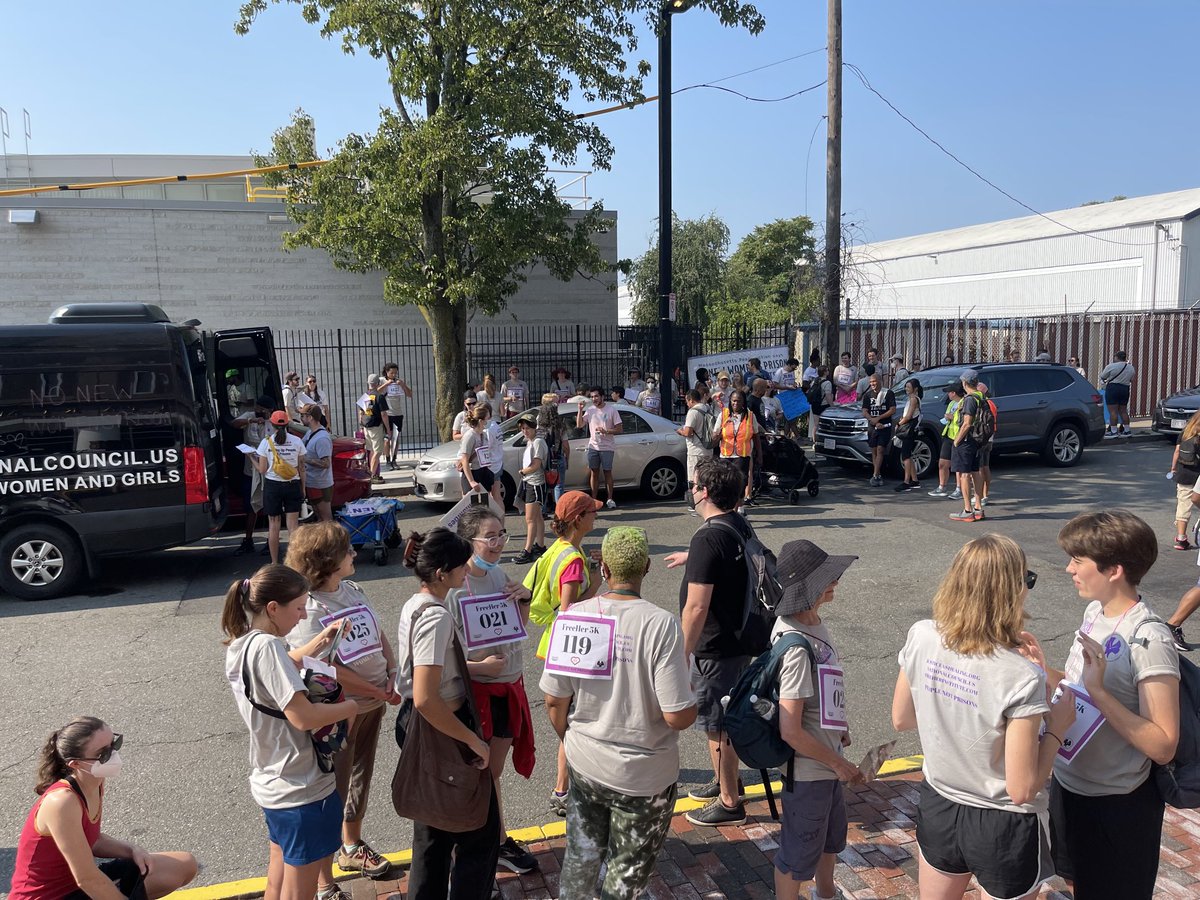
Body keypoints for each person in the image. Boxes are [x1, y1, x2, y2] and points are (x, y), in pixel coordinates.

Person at [892, 535, 1076, 900]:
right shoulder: (1020, 674)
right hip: (1001, 823)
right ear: (1011, 591)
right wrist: (1056, 727)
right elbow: (1022, 789)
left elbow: (902, 717)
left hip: (939, 803)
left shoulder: (922, 635)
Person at [1022, 511, 1180, 899]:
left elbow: (1163, 745)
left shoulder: (1149, 638)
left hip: (1118, 803)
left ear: (1114, 570)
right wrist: (1044, 672)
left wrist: (1102, 692)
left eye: (1078, 560)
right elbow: (1081, 691)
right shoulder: (1095, 612)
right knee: (1075, 883)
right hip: (1070, 784)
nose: (1068, 568)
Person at [542, 526, 696, 899]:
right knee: (625, 877)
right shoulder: (660, 625)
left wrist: (571, 736)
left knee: (580, 859)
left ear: (604, 568)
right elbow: (677, 715)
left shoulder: (574, 616)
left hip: (586, 764)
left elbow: (553, 700)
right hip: (644, 777)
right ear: (645, 567)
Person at [222, 564, 359, 900]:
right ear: (273, 607)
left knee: (278, 879)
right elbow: (302, 716)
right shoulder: (269, 648)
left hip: (273, 779)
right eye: (298, 608)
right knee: (300, 891)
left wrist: (321, 640)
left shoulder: (243, 644)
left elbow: (285, 664)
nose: (301, 617)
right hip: (300, 785)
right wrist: (351, 707)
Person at [285, 523, 402, 882]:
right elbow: (323, 667)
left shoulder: (351, 589)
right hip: (340, 710)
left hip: (373, 700)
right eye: (347, 550)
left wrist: (393, 670)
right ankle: (324, 881)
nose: (354, 554)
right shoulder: (311, 608)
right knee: (331, 786)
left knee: (360, 776)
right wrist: (376, 690)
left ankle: (350, 847)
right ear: (327, 561)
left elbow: (377, 631)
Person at [396, 528, 501, 899]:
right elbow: (427, 696)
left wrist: (477, 667)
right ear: (441, 572)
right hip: (443, 728)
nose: (467, 570)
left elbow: (425, 675)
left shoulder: (415, 604)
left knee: (432, 828)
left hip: (421, 725)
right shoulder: (436, 617)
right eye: (461, 565)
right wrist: (472, 739)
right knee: (479, 831)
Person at [665, 458, 769, 827]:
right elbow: (729, 558)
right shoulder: (736, 523)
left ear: (704, 492)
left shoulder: (708, 536)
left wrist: (681, 652)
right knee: (724, 716)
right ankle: (726, 778)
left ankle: (729, 801)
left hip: (715, 645)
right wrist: (692, 558)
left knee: (717, 723)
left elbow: (696, 606)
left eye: (694, 486)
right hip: (741, 638)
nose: (691, 491)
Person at [8, 718, 198, 900]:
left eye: (114, 745)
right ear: (75, 764)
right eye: (103, 754)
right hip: (51, 896)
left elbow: (94, 839)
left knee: (184, 864)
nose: (113, 755)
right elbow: (87, 879)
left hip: (77, 887)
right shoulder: (61, 802)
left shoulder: (93, 781)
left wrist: (132, 849)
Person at [449, 507, 540, 877]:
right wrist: (479, 669)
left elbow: (516, 628)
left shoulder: (499, 573)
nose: (500, 543)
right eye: (491, 538)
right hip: (478, 697)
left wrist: (525, 597)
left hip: (509, 688)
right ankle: (482, 841)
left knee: (493, 771)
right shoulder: (455, 590)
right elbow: (440, 663)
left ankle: (494, 839)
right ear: (469, 543)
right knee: (480, 772)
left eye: (503, 534)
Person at [770, 540, 861, 900]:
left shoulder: (814, 625)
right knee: (796, 856)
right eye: (826, 577)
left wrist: (839, 729)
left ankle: (826, 894)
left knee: (829, 839)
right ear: (806, 589)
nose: (835, 580)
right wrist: (841, 765)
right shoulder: (794, 646)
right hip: (810, 771)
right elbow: (790, 729)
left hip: (826, 762)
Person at [524, 490, 603, 815]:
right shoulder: (571, 559)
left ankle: (564, 787)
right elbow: (570, 607)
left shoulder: (559, 549)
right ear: (577, 519)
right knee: (573, 722)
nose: (595, 517)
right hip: (570, 646)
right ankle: (563, 790)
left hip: (554, 641)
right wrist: (596, 582)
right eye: (591, 512)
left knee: (571, 721)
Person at [254, 410, 307, 565]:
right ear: (287, 423)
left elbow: (262, 470)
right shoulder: (297, 441)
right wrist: (302, 488)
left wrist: (251, 458)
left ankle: (275, 562)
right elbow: (302, 468)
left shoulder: (266, 442)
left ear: (272, 423)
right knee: (293, 527)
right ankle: (295, 562)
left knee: (274, 526)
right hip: (293, 484)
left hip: (273, 486)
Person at [233, 394, 273, 555]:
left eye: (266, 411)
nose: (262, 413)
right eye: (260, 409)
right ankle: (248, 539)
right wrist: (252, 421)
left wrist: (269, 419)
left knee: (270, 505)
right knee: (250, 505)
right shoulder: (250, 416)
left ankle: (271, 540)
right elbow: (234, 423)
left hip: (269, 470)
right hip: (251, 469)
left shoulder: (272, 420)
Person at [577, 385, 622, 508]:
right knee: (594, 472)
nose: (594, 399)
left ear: (602, 396)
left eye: (596, 396)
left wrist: (606, 431)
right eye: (592, 397)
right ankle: (593, 500)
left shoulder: (611, 410)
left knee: (608, 472)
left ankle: (610, 499)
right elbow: (580, 425)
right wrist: (580, 410)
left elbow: (619, 429)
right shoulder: (590, 410)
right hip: (593, 446)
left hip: (607, 447)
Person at [948, 371, 985, 522]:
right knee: (975, 472)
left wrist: (957, 440)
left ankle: (967, 510)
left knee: (964, 475)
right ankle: (978, 508)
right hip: (977, 439)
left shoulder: (969, 399)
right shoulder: (981, 396)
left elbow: (967, 423)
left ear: (964, 383)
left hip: (966, 441)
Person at [715, 389, 761, 512]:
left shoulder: (750, 416)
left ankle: (738, 510)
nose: (735, 403)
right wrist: (724, 425)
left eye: (738, 401)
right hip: (726, 455)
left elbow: (756, 437)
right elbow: (714, 437)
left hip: (742, 455)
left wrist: (759, 455)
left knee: (740, 484)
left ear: (743, 403)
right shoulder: (723, 415)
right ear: (730, 401)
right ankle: (728, 510)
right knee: (726, 483)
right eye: (733, 401)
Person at [514, 414, 549, 564]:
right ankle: (540, 546)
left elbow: (535, 465)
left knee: (530, 519)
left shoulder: (538, 442)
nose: (525, 431)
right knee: (537, 517)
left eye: (528, 428)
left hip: (535, 483)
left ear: (534, 427)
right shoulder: (531, 442)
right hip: (530, 482)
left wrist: (522, 472)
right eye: (522, 428)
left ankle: (527, 550)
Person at [1169, 409, 1200, 553]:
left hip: (1184, 473)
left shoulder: (1185, 433)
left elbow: (1176, 452)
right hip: (1198, 473)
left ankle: (1181, 539)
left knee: (1183, 505)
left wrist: (1173, 468)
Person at [928, 384, 964, 499]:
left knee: (958, 465)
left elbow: (966, 420)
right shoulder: (951, 403)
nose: (948, 394)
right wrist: (947, 418)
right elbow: (947, 418)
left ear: (954, 393)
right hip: (948, 435)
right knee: (942, 463)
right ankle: (942, 487)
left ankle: (959, 489)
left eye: (949, 392)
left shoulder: (964, 403)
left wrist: (952, 417)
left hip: (959, 436)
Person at [301, 404, 335, 522]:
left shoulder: (322, 438)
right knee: (319, 517)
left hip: (321, 484)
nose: (301, 418)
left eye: (303, 415)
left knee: (325, 517)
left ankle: (332, 540)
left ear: (310, 417)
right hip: (312, 482)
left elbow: (326, 463)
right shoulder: (310, 433)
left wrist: (305, 460)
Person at [678, 389, 713, 504]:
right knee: (706, 476)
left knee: (694, 478)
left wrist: (680, 431)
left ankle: (695, 503)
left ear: (691, 400)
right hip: (708, 448)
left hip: (695, 450)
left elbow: (688, 432)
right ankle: (707, 501)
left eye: (687, 401)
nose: (687, 404)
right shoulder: (707, 409)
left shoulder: (693, 412)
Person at [861, 371, 895, 487]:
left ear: (879, 381)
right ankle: (878, 473)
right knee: (874, 450)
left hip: (885, 426)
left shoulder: (888, 393)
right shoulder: (868, 395)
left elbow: (892, 409)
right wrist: (872, 419)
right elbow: (864, 410)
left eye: (874, 381)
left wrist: (879, 418)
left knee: (881, 449)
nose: (872, 384)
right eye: (871, 382)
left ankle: (875, 474)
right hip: (872, 427)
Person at [536, 393, 570, 503]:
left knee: (544, 484)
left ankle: (543, 510)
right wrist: (567, 459)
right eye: (556, 403)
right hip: (557, 456)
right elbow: (565, 445)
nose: (558, 405)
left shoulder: (539, 422)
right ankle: (559, 512)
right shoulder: (560, 423)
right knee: (558, 485)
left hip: (543, 457)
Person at [457, 407, 495, 498]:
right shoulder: (470, 436)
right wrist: (471, 481)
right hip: (472, 472)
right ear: (481, 421)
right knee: (471, 505)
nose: (489, 420)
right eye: (488, 418)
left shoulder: (484, 434)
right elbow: (465, 460)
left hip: (483, 471)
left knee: (485, 503)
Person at [382, 363, 413, 471]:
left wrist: (403, 385)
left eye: (395, 372)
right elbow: (375, 392)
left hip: (398, 413)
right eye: (391, 373)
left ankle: (394, 460)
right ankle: (387, 460)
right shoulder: (382, 380)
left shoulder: (399, 382)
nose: (394, 374)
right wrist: (386, 384)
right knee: (387, 438)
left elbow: (410, 394)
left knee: (396, 438)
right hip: (387, 414)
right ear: (386, 372)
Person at [893, 378, 923, 492]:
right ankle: (914, 480)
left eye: (908, 387)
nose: (906, 389)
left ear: (915, 389)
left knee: (906, 455)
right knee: (908, 455)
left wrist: (899, 423)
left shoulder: (914, 399)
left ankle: (906, 481)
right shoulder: (911, 399)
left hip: (909, 430)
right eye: (906, 387)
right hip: (910, 429)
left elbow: (909, 416)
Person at [357, 374, 388, 484]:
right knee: (377, 452)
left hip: (366, 427)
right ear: (378, 384)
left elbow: (360, 412)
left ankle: (371, 473)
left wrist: (361, 425)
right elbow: (384, 414)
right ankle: (372, 475)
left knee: (370, 451)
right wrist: (388, 429)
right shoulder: (379, 396)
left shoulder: (365, 395)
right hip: (376, 426)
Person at [1100, 350, 1135, 438]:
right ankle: (1127, 431)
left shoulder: (1111, 366)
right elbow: (1132, 379)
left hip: (1113, 388)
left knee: (1113, 411)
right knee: (1123, 410)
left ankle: (1114, 431)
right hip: (1125, 388)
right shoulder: (1131, 367)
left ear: (1117, 357)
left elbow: (1103, 376)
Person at [977, 381, 999, 507]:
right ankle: (985, 495)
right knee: (985, 466)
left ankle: (979, 495)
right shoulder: (991, 403)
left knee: (980, 467)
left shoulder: (983, 403)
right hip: (990, 436)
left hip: (982, 437)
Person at [481, 403, 506, 509]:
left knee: (493, 497)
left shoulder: (488, 429)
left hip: (491, 466)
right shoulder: (496, 426)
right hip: (498, 462)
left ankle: (499, 523)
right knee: (497, 497)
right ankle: (501, 523)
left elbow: (486, 448)